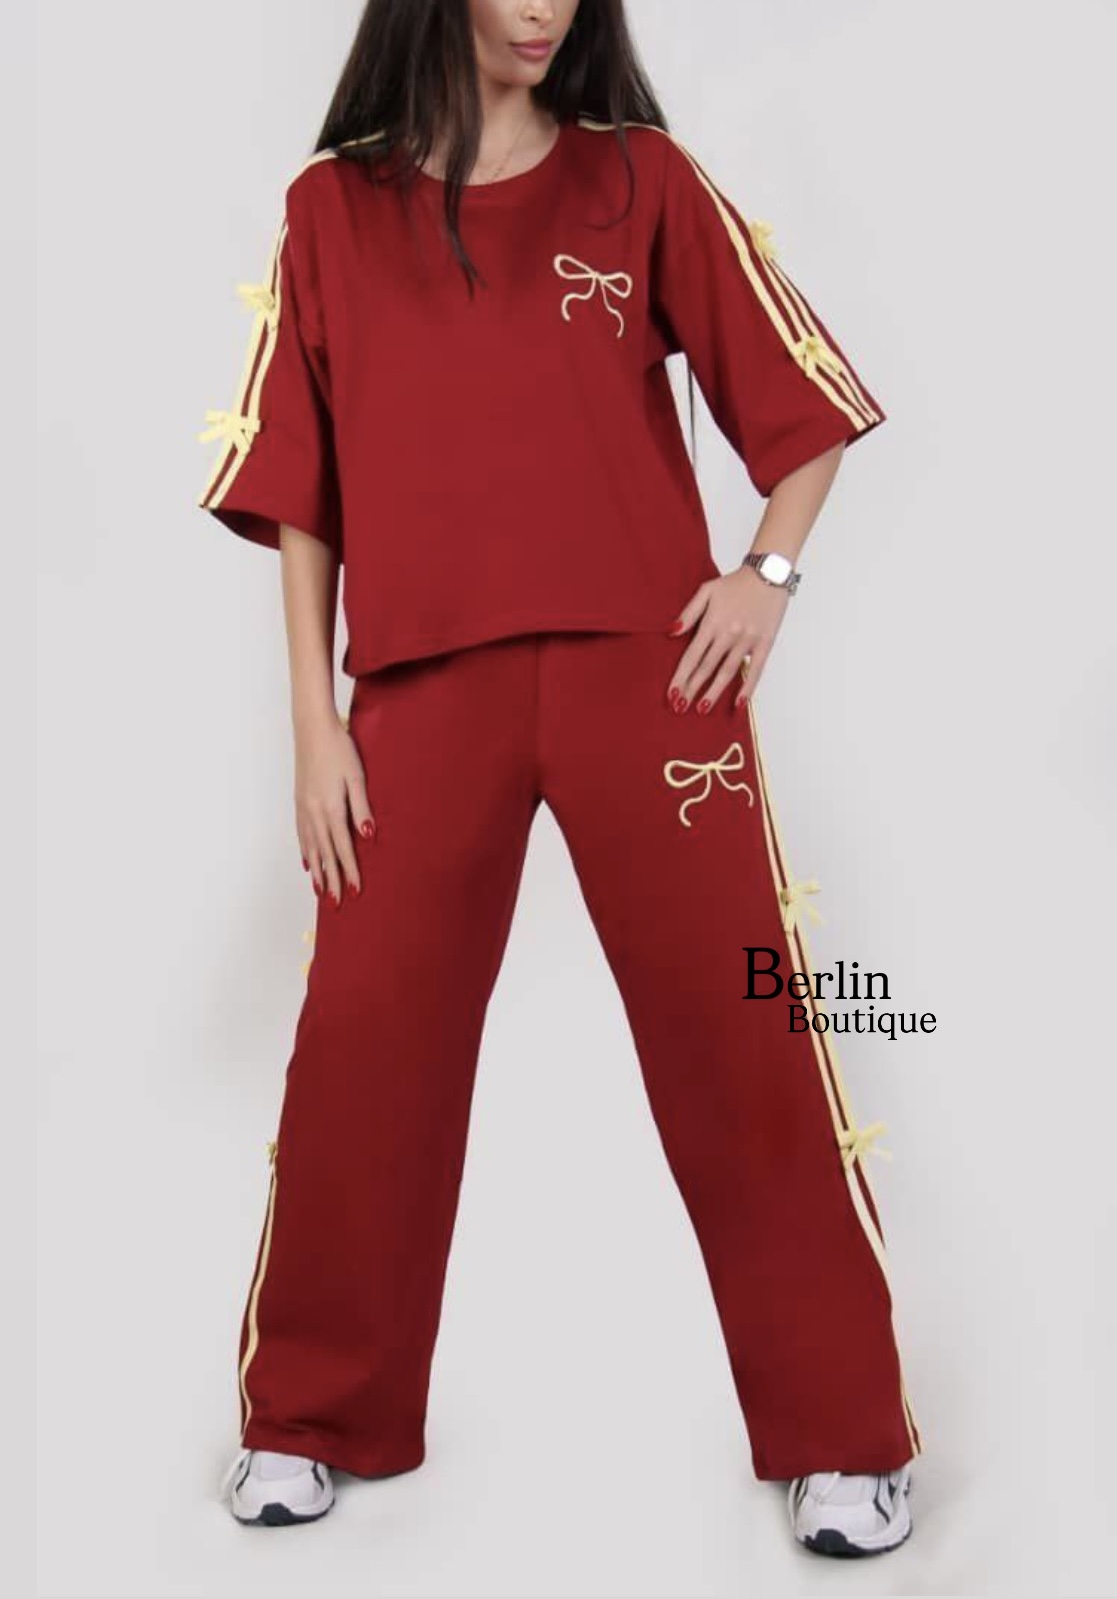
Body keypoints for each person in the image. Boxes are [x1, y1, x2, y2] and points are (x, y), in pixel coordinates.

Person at [199, 0, 921, 1558]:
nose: (547, 8)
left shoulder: (639, 181)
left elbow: (800, 404)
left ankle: (844, 1437)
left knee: (738, 1040)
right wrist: (313, 723)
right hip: (416, 692)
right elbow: (300, 483)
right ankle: (310, 1416)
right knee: (363, 1048)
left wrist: (765, 577)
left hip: (647, 682)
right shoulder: (331, 209)